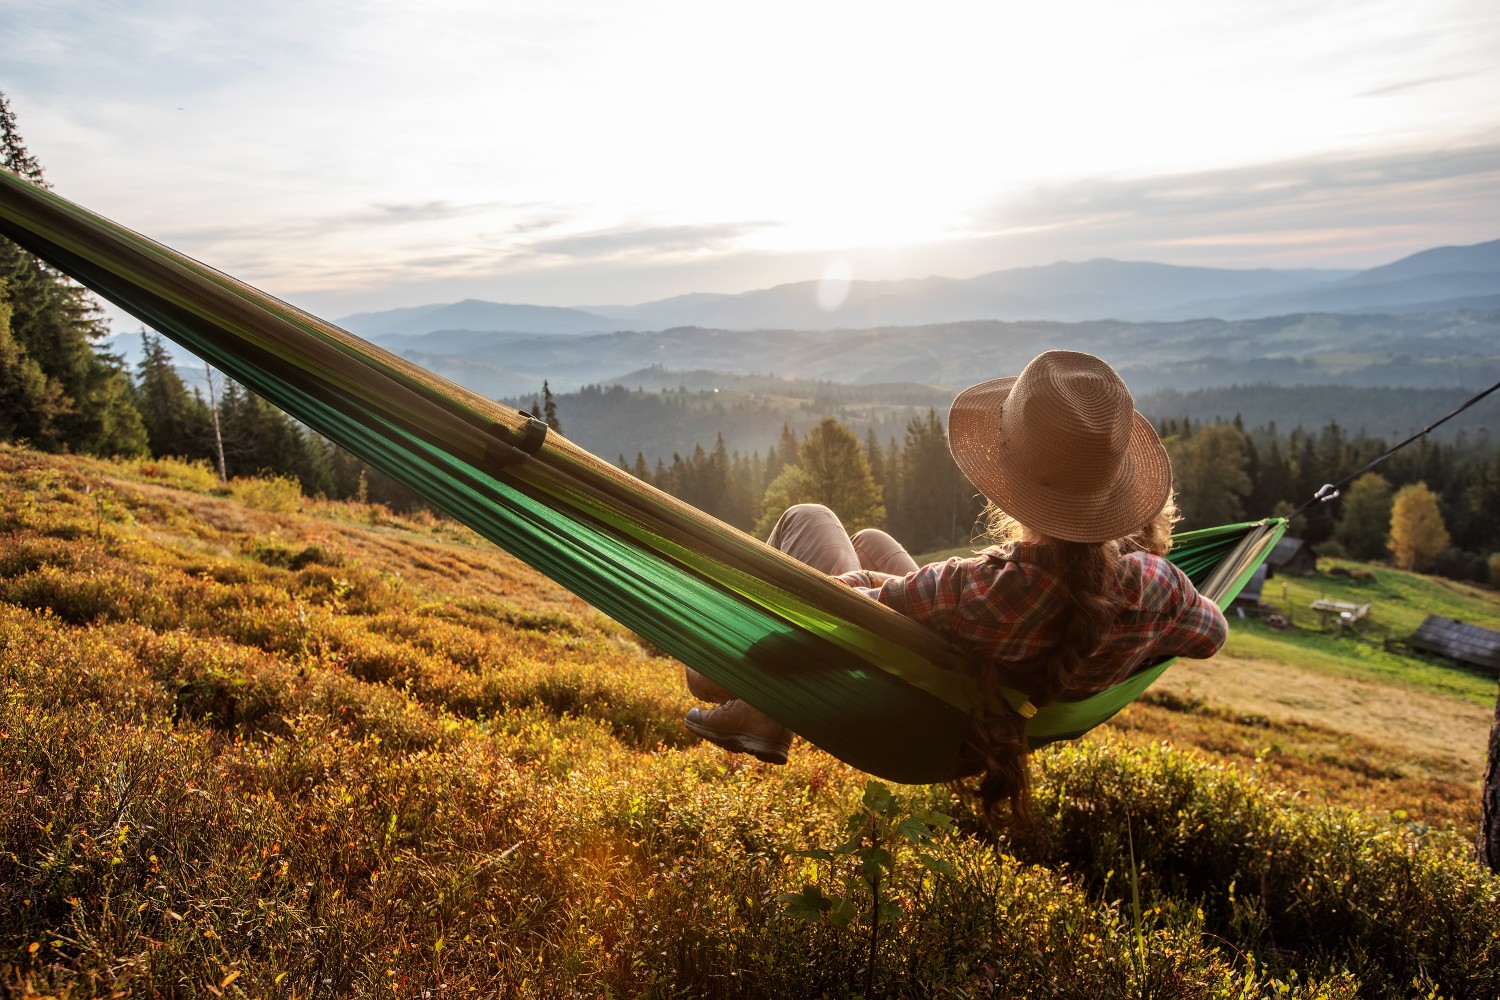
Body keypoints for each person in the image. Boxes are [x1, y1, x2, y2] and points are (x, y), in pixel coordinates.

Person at [683, 350, 1229, 825]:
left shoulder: (971, 589)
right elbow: (1211, 635)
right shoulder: (1160, 587)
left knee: (808, 517)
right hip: (978, 705)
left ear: (1009, 484)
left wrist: (737, 647)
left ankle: (764, 713)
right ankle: (764, 712)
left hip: (907, 707)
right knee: (870, 538)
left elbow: (822, 634)